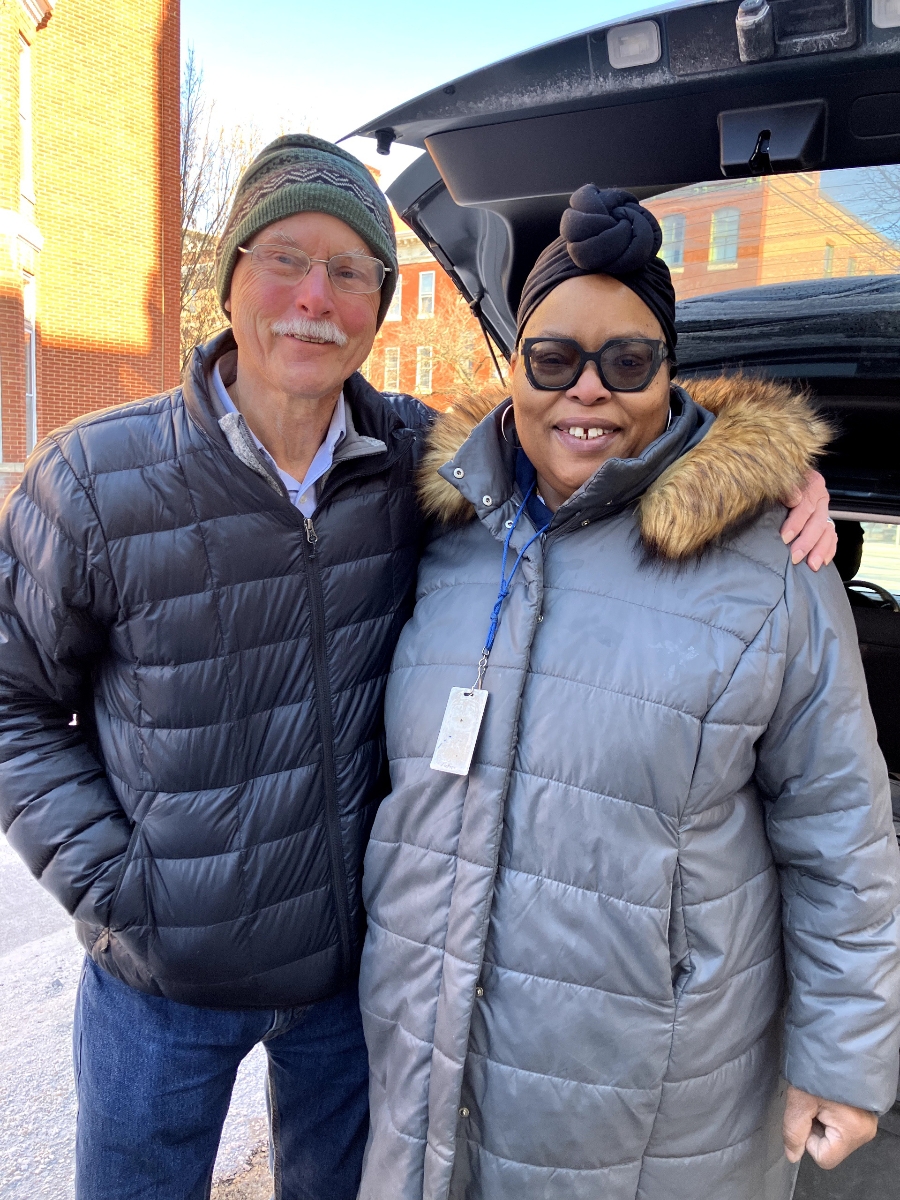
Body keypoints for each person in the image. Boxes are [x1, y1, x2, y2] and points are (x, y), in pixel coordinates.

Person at [0, 136, 833, 1199]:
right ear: (231, 279)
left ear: (380, 304)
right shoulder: (93, 477)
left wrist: (760, 466)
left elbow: (588, 426)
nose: (315, 297)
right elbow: (12, 700)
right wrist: (118, 888)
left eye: (351, 270)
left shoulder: (418, 462)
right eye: (285, 258)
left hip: (348, 986)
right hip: (159, 984)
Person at [357, 187, 900, 1200]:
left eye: (628, 361)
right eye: (553, 358)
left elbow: (840, 825)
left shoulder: (773, 564)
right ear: (512, 369)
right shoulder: (441, 533)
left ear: (667, 374)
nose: (588, 390)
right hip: (430, 1069)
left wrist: (845, 1052)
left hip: (656, 1100)